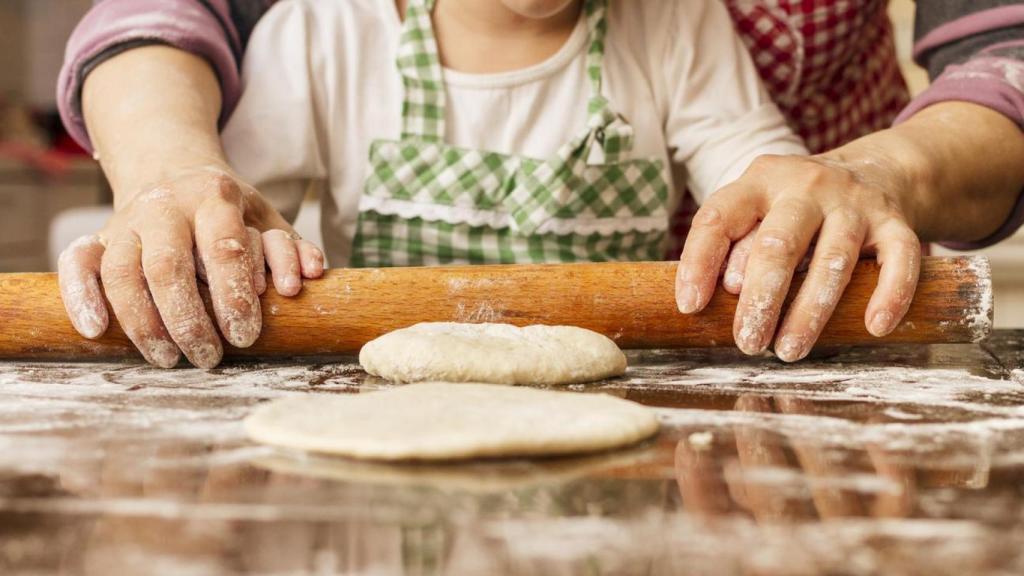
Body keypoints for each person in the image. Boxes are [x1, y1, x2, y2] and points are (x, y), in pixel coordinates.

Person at [57, 0, 1024, 368]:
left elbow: (760, 187)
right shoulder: (329, 32)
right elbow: (224, 210)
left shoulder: (674, 28)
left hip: (627, 407)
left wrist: (811, 212)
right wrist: (191, 221)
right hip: (360, 395)